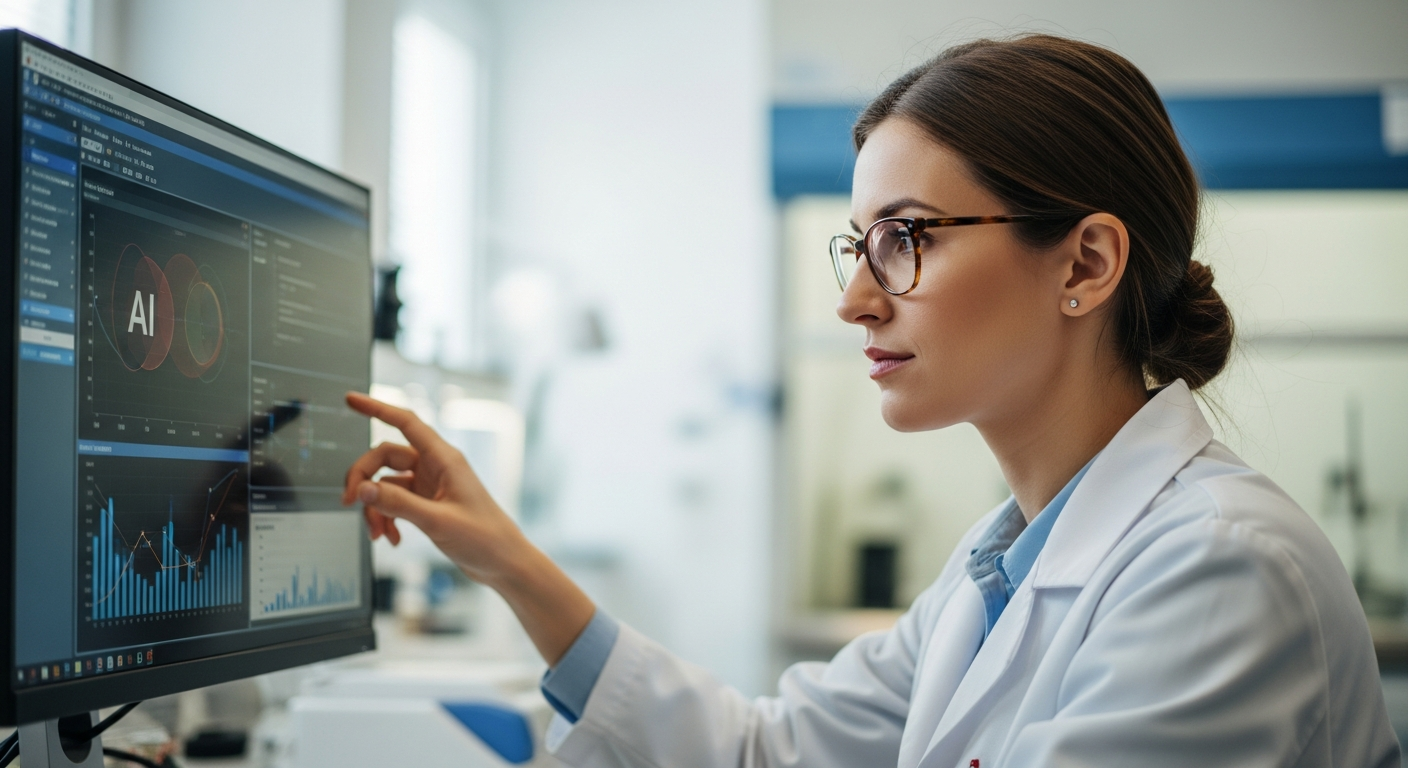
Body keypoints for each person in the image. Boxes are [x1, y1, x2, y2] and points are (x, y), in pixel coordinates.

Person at [342, 34, 1399, 767]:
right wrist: (509, 562)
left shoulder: (1215, 568)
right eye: (861, 245)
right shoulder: (997, 569)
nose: (853, 300)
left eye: (908, 240)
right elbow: (765, 753)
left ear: (1084, 261)